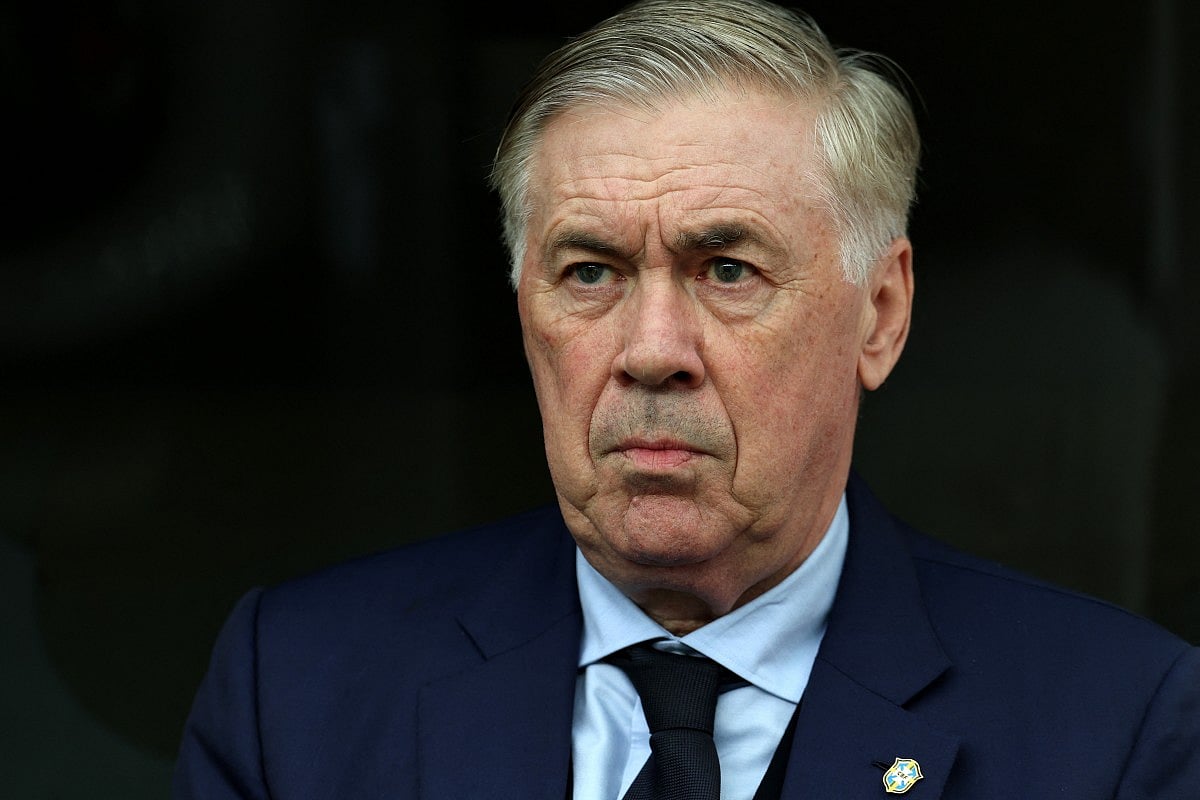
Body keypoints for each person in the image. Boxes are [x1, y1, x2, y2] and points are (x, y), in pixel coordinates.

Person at [172, 0, 1200, 797]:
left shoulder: (1116, 726)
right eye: (590, 271)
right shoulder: (297, 690)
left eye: (728, 270)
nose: (652, 351)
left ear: (880, 315)